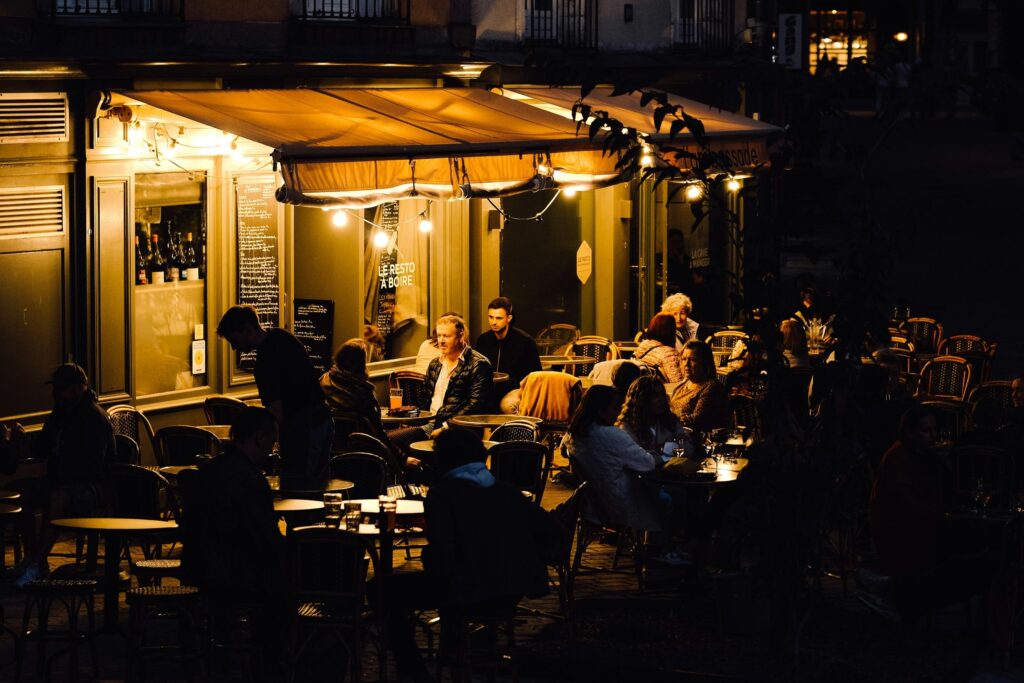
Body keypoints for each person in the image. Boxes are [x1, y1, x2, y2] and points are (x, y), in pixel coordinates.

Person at [380, 427, 556, 682]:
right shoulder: (507, 491)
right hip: (511, 590)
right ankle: (470, 643)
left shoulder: (443, 494)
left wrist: (428, 554)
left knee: (382, 589)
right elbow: (549, 530)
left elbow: (443, 558)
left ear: (442, 460)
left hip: (467, 589)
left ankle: (413, 670)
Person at [181, 407, 286, 676]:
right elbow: (264, 539)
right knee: (287, 588)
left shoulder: (207, 472)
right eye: (272, 442)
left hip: (198, 569)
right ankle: (275, 665)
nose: (272, 450)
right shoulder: (249, 479)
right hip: (236, 575)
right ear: (260, 438)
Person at [869, 404, 991, 618]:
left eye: (935, 430)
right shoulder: (899, 458)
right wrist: (947, 519)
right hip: (900, 533)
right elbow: (909, 507)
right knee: (972, 555)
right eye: (926, 431)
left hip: (922, 524)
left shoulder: (924, 456)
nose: (933, 436)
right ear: (910, 433)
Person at [7, 363, 116, 586]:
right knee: (19, 492)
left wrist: (59, 469)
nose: (57, 393)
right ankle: (32, 556)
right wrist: (23, 440)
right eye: (56, 387)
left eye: (63, 388)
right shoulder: (61, 412)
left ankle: (38, 563)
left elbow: (93, 467)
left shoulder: (94, 417)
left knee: (58, 497)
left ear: (80, 388)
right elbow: (43, 447)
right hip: (63, 479)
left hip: (95, 485)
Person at [217, 305, 333, 490]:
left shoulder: (265, 362)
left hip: (302, 431)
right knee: (316, 484)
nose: (233, 347)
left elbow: (276, 413)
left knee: (300, 488)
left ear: (247, 330)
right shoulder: (282, 336)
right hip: (321, 421)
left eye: (234, 339)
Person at [561, 385, 666, 532]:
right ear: (601, 410)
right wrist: (659, 456)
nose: (618, 412)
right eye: (614, 407)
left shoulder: (573, 434)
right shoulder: (612, 435)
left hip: (591, 506)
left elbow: (563, 452)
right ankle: (667, 546)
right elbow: (647, 463)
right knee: (668, 499)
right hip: (620, 506)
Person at [418, 313, 493, 439]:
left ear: (460, 336)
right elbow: (424, 399)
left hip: (456, 429)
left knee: (395, 441)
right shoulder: (435, 364)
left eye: (446, 336)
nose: (441, 341)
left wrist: (445, 427)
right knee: (391, 441)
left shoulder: (479, 364)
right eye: (439, 336)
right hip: (429, 423)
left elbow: (475, 406)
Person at [474, 297, 541, 414]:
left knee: (506, 404)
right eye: (490, 317)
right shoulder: (483, 340)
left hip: (516, 389)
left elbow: (535, 375)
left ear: (509, 318)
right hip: (488, 389)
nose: (493, 322)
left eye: (499, 318)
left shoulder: (525, 342)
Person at [616, 375, 689, 458]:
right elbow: (639, 458)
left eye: (662, 395)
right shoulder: (626, 427)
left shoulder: (670, 421)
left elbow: (687, 448)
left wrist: (662, 449)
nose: (661, 399)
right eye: (655, 396)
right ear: (641, 399)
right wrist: (671, 449)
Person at [670, 340, 730, 439]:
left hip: (699, 441)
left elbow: (697, 420)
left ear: (705, 363)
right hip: (677, 436)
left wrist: (667, 419)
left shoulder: (712, 387)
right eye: (684, 359)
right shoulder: (681, 387)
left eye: (693, 359)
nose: (686, 364)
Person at [632, 313, 684, 382]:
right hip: (662, 391)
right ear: (671, 331)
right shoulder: (669, 354)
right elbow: (677, 382)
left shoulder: (643, 346)